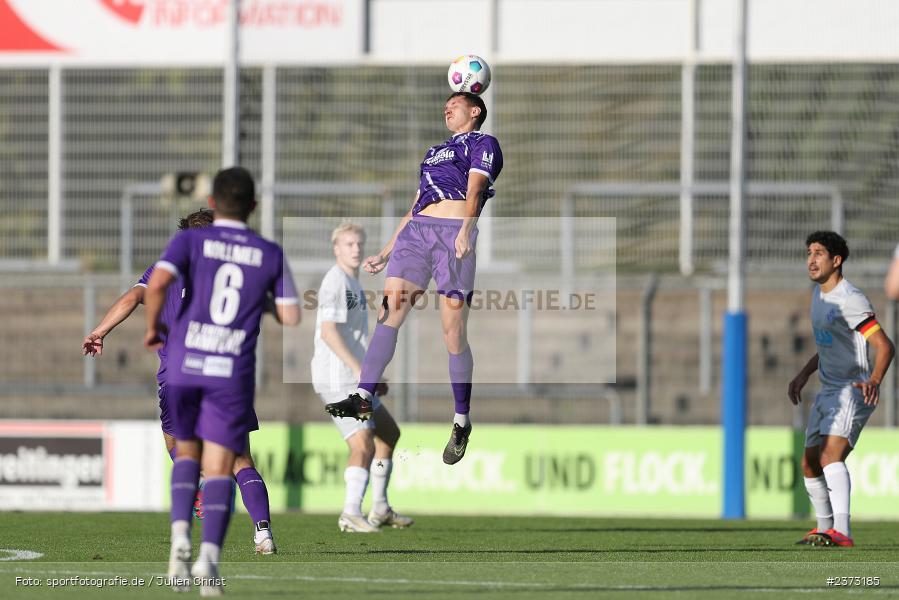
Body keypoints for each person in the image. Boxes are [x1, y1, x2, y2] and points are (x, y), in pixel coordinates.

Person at [82, 209, 280, 556]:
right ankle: (263, 533)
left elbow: (132, 298)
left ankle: (197, 493)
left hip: (179, 376)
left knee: (177, 446)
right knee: (240, 461)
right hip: (225, 375)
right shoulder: (237, 272)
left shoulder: (164, 269)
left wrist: (99, 331)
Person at [325, 92, 503, 465]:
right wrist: (388, 249)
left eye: (455, 104)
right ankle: (362, 395)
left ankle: (460, 420)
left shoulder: (484, 143)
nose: (447, 108)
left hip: (452, 233)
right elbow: (417, 202)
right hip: (417, 234)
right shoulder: (433, 151)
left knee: (452, 332)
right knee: (389, 312)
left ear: (475, 111)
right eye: (446, 104)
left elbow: (474, 190)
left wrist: (466, 231)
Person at [144, 166, 299, 593]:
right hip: (229, 370)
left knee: (187, 456)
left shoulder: (191, 243)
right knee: (225, 467)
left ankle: (180, 542)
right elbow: (290, 314)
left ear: (213, 203)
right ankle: (210, 558)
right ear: (252, 207)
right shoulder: (268, 252)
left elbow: (155, 285)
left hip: (186, 364)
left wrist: (153, 327)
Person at [789, 231, 893, 547]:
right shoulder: (819, 295)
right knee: (808, 462)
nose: (811, 259)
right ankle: (823, 529)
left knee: (830, 455)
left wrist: (874, 381)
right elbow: (830, 345)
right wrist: (805, 373)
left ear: (837, 261)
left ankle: (843, 532)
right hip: (827, 389)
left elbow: (884, 345)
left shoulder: (851, 298)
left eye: (819, 253)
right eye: (809, 252)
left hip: (853, 389)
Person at [312, 222, 412, 532]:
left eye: (359, 244)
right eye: (348, 244)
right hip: (338, 379)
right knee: (363, 445)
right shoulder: (335, 282)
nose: (355, 249)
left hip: (353, 377)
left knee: (388, 434)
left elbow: (351, 335)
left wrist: (369, 374)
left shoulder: (353, 283)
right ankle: (350, 513)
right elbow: (328, 333)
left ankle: (379, 508)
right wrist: (359, 371)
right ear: (336, 249)